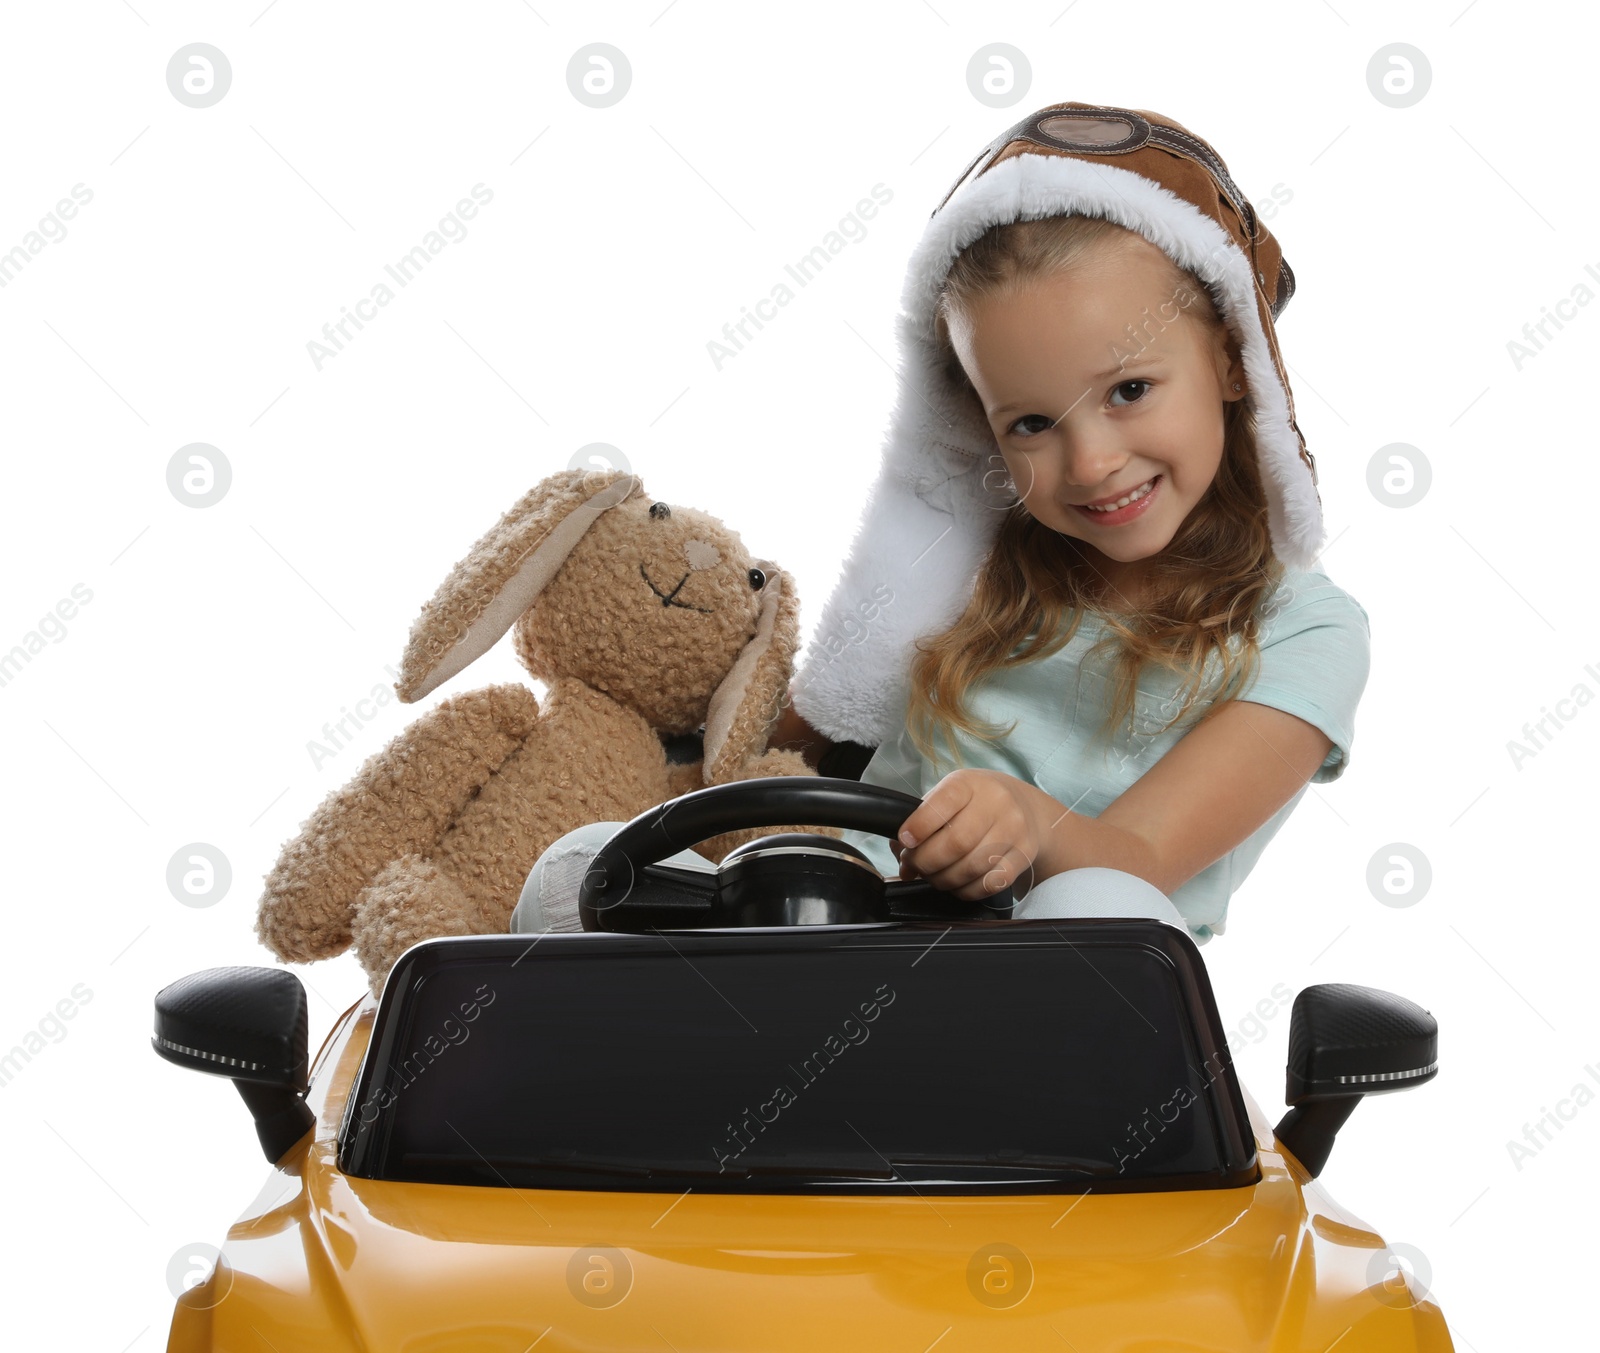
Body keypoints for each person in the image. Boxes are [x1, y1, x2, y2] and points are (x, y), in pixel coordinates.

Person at [512, 101, 1369, 942]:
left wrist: (1026, 823)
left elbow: (1139, 858)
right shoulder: (963, 575)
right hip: (836, 940)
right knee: (577, 868)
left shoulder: (1305, 632)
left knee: (1101, 907)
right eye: (1031, 424)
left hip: (1058, 999)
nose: (1092, 463)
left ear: (1229, 358)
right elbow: (786, 762)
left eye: (1129, 390)